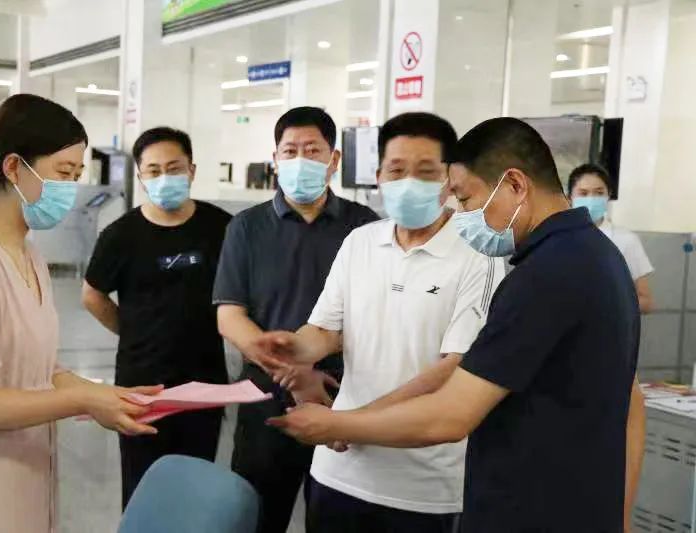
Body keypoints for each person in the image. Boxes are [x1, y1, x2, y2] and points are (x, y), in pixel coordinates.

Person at [268, 117, 645, 533]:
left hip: (530, 509)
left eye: (465, 199)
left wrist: (338, 423)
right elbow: (632, 403)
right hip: (573, 505)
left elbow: (451, 414)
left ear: (515, 184)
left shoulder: (546, 274)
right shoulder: (596, 255)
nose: (464, 214)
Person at [0, 94, 161, 533]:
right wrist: (82, 400)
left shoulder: (28, 255)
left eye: (77, 175)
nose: (70, 188)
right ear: (13, 167)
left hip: (24, 470)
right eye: (63, 173)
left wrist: (107, 395)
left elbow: (39, 369)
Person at [261, 112, 504, 533]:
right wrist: (293, 348)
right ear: (378, 177)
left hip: (422, 485)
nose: (409, 182)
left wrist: (351, 423)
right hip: (338, 472)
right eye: (396, 170)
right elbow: (326, 331)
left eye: (425, 172)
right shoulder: (360, 242)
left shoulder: (478, 255)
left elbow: (453, 368)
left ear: (451, 179)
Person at [213, 106, 379, 533]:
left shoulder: (366, 228)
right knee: (257, 517)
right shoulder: (246, 228)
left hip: (342, 398)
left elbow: (375, 315)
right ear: (275, 159)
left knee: (335, 518)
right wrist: (292, 372)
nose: (300, 159)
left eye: (312, 150)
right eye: (290, 151)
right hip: (265, 402)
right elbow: (230, 317)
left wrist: (314, 371)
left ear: (334, 159)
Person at [82, 127, 233, 507]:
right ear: (141, 176)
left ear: (192, 170)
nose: (164, 177)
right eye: (153, 170)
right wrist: (133, 332)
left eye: (174, 168)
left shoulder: (221, 227)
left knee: (195, 486)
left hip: (204, 380)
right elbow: (92, 294)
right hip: (142, 385)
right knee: (144, 489)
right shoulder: (121, 235)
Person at [569, 163, 655, 313]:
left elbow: (646, 302)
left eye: (599, 193)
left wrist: (609, 302)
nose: (591, 199)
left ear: (608, 195)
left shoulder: (626, 240)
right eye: (583, 193)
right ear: (570, 197)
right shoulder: (556, 239)